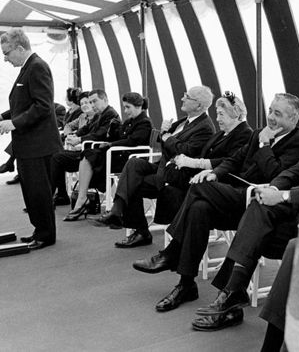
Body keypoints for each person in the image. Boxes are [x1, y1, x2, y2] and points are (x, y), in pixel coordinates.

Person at [132, 93, 299, 312]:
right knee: (199, 208)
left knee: (198, 187)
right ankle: (186, 284)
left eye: (278, 113)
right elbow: (234, 160)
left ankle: (172, 252)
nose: (270, 117)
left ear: (293, 119)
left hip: (258, 202)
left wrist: (264, 145)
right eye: (270, 110)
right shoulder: (257, 135)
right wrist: (215, 173)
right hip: (235, 198)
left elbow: (276, 174)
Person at [88, 86, 215, 248]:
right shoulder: (185, 121)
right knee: (133, 164)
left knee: (131, 183)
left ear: (198, 105)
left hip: (177, 176)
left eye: (187, 97)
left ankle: (137, 228)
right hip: (163, 166)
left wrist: (167, 136)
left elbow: (185, 152)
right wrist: (164, 134)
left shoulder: (204, 127)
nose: (182, 99)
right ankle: (118, 212)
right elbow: (167, 145)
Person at [191, 156, 299, 331]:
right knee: (256, 212)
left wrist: (283, 195)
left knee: (252, 231)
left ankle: (232, 298)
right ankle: (233, 295)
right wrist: (272, 189)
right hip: (292, 219)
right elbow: (290, 174)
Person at [0, 29, 62, 250]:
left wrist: (14, 123)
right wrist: (2, 116)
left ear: (20, 49)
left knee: (39, 192)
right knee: (31, 192)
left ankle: (46, 235)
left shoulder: (37, 67)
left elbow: (42, 106)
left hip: (38, 144)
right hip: (29, 144)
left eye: (7, 53)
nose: (5, 59)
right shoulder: (27, 67)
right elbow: (24, 104)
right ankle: (39, 230)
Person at [153, 91, 253, 225]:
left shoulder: (245, 133)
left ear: (236, 116)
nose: (217, 119)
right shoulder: (222, 133)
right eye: (217, 114)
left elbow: (231, 161)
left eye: (221, 115)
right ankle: (175, 237)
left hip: (222, 184)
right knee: (171, 191)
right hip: (205, 180)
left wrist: (195, 163)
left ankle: (175, 237)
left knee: (177, 195)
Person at [64, 92, 153, 221]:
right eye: (124, 107)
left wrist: (111, 143)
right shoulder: (129, 121)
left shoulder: (144, 122)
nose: (125, 111)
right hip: (121, 155)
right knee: (89, 154)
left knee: (90, 155)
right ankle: (82, 197)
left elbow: (132, 141)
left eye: (128, 107)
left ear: (139, 106)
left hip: (131, 159)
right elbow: (121, 137)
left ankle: (82, 198)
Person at [51, 88, 119, 205]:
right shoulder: (98, 115)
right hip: (90, 151)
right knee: (56, 156)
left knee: (56, 158)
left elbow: (99, 135)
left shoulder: (110, 114)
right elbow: (85, 129)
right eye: (89, 102)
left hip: (96, 156)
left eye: (94, 101)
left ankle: (52, 197)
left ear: (105, 100)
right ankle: (60, 195)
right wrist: (73, 136)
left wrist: (79, 140)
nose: (92, 105)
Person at [0, 101, 67, 185]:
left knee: (25, 139)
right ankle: (16, 169)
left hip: (50, 135)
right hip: (38, 134)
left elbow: (59, 123)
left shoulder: (59, 108)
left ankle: (10, 164)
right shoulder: (34, 107)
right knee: (22, 137)